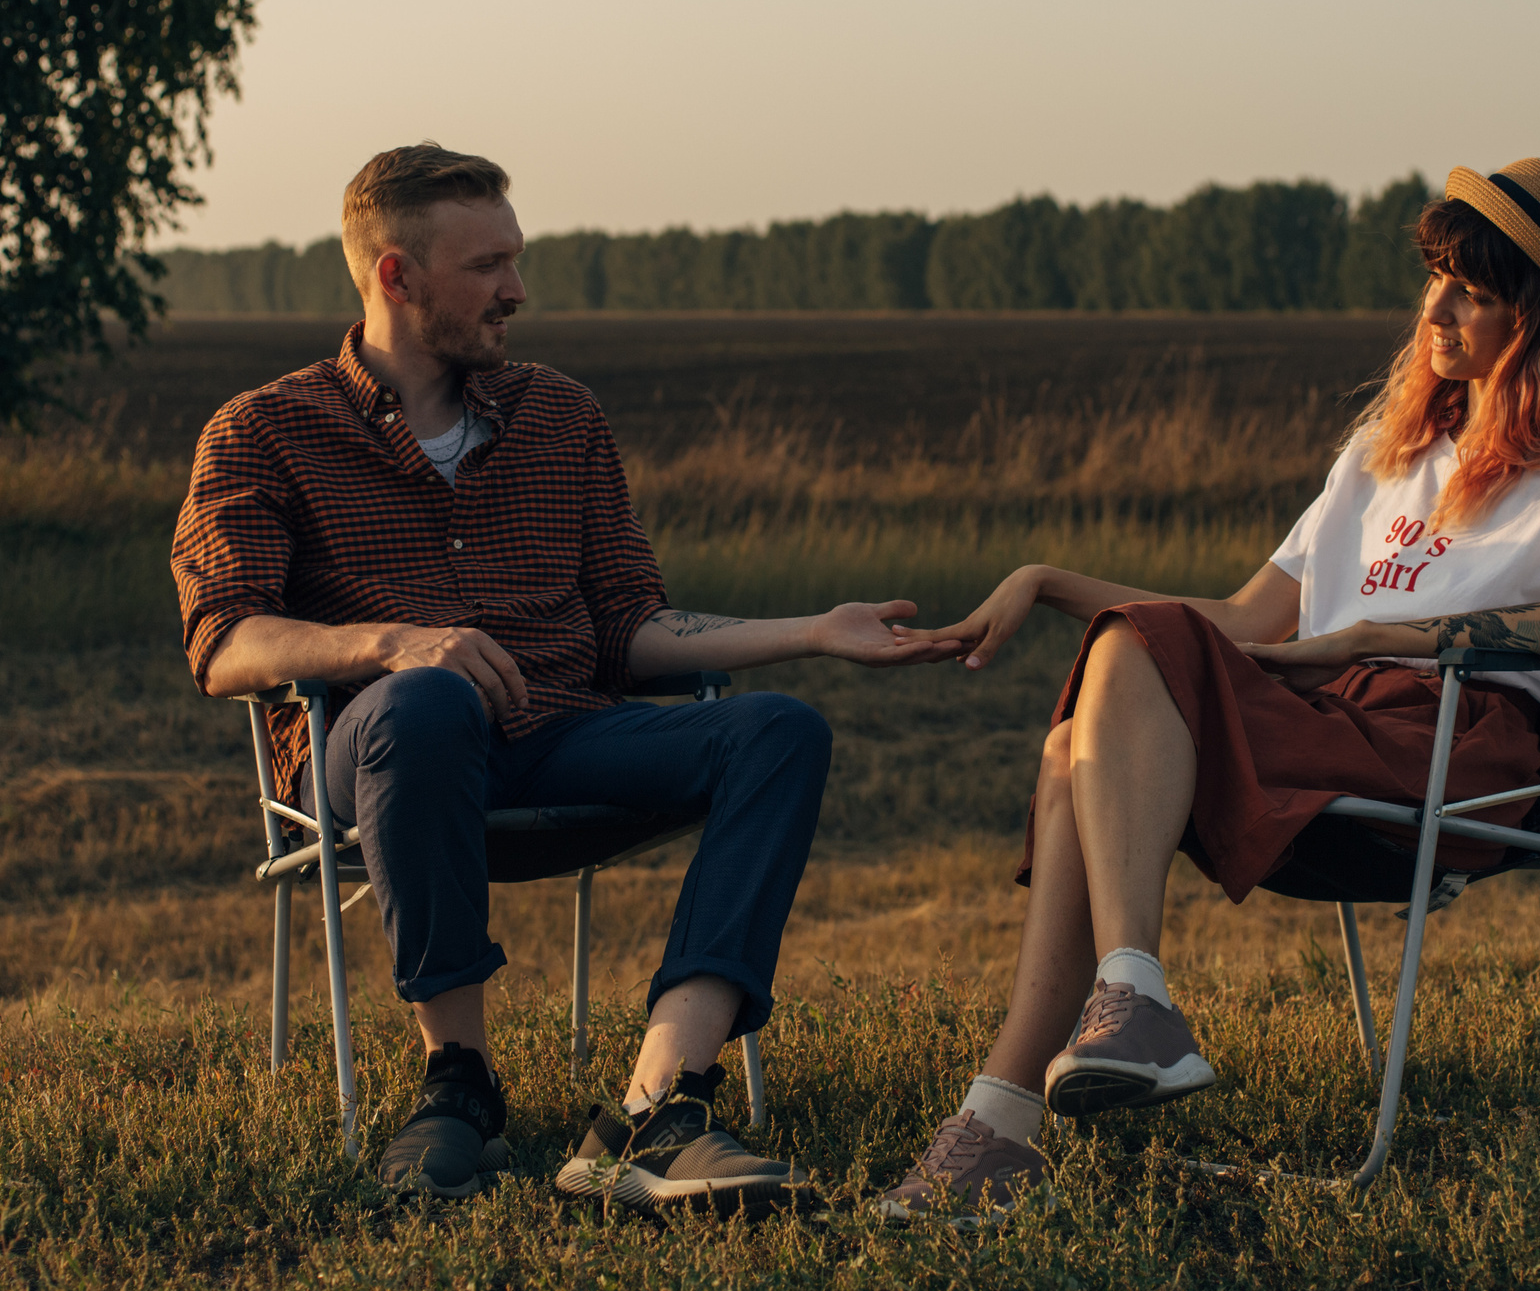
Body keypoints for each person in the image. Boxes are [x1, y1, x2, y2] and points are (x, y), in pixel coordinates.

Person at [171, 142, 959, 1208]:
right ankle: (458, 1089)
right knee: (428, 695)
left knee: (779, 730)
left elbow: (631, 629)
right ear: (394, 274)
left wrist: (815, 630)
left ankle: (655, 1108)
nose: (516, 290)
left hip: (558, 733)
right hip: (383, 753)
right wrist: (396, 642)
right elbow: (225, 643)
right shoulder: (265, 431)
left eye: (516, 258)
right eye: (487, 265)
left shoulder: (560, 416)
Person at [875, 157, 1540, 1225]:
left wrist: (1380, 634)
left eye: (1471, 289)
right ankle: (1069, 1056)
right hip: (1332, 720)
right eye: (1433, 278)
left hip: (1454, 745)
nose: (1436, 307)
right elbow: (1240, 627)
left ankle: (1029, 1099)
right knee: (1092, 712)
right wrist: (1044, 579)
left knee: (1109, 697)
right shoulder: (1381, 460)